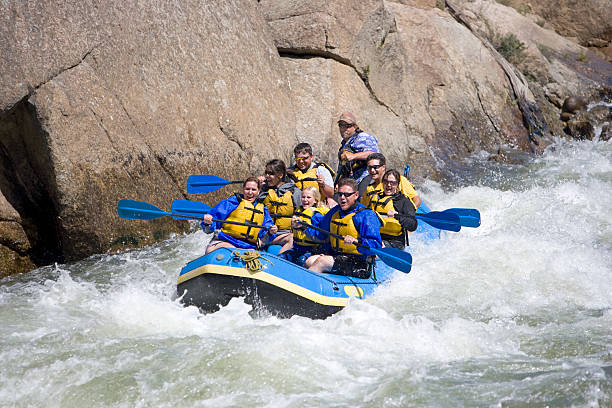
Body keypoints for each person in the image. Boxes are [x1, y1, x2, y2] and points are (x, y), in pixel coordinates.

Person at [305, 178, 382, 278]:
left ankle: (301, 290)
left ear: (356, 195)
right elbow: (321, 233)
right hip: (338, 257)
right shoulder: (335, 212)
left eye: (347, 194)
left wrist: (357, 241)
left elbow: (375, 246)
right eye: (340, 194)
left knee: (322, 262)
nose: (342, 198)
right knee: (309, 261)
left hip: (359, 263)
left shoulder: (366, 215)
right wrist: (304, 227)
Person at [201, 177, 278, 254]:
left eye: (253, 190)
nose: (250, 192)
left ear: (258, 191)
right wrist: (207, 222)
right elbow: (209, 229)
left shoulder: (263, 209)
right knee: (211, 251)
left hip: (249, 247)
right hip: (226, 241)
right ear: (243, 189)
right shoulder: (232, 203)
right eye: (247, 189)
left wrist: (271, 232)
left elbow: (266, 234)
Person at [368, 169, 417, 249]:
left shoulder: (403, 201)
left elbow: (413, 225)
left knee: (374, 247)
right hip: (376, 237)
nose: (388, 185)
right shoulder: (375, 198)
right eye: (386, 181)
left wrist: (397, 216)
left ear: (397, 184)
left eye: (392, 183)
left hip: (395, 242)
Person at [259, 159, 302, 253]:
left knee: (293, 238)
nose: (267, 176)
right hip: (266, 233)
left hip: (285, 234)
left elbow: (301, 213)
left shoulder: (294, 191)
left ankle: (279, 259)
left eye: (270, 173)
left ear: (280, 175)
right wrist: (258, 185)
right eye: (266, 173)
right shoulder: (263, 190)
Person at [279, 186, 329, 266]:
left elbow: (320, 237)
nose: (305, 200)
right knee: (281, 258)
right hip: (297, 248)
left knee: (301, 261)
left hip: (311, 251)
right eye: (303, 197)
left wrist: (303, 227)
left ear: (315, 200)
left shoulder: (317, 215)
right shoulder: (299, 211)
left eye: (308, 197)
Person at [288, 142, 337, 208]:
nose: (301, 161)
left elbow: (331, 194)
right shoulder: (290, 172)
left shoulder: (321, 170)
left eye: (304, 158)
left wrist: (322, 185)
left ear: (311, 157)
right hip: (297, 210)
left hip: (317, 209)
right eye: (298, 159)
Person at [336, 112, 380, 184]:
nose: (344, 128)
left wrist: (353, 156)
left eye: (347, 125)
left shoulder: (363, 137)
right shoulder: (344, 145)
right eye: (341, 125)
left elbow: (375, 155)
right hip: (352, 184)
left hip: (367, 180)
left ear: (355, 127)